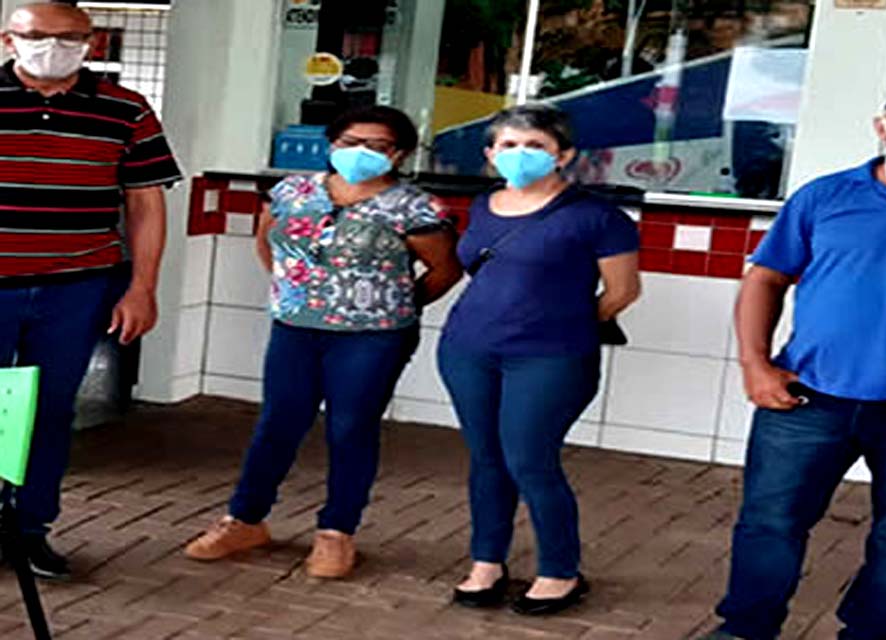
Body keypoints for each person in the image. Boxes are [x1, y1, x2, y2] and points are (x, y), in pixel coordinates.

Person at [701, 81, 886, 640]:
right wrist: (755, 365)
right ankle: (745, 628)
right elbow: (766, 278)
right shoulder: (825, 196)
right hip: (808, 398)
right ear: (884, 125)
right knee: (769, 524)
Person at [184, 106, 462, 579]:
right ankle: (244, 519)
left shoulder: (413, 207)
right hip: (295, 327)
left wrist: (395, 304)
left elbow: (444, 269)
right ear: (331, 143)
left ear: (399, 154)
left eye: (378, 146)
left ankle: (337, 532)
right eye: (351, 142)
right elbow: (267, 242)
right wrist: (293, 291)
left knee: (350, 428)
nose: (361, 153)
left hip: (372, 337)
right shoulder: (292, 191)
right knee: (277, 422)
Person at [0, 3, 181, 580]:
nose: (52, 47)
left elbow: (146, 203)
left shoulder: (126, 108)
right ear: (8, 39)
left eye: (69, 37)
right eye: (36, 36)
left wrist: (143, 287)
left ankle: (27, 530)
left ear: (92, 42)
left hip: (75, 288)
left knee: (49, 411)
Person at [438, 105, 641, 615]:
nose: (520, 155)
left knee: (529, 460)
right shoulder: (484, 205)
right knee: (486, 459)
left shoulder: (597, 216)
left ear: (563, 155)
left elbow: (622, 291)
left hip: (551, 357)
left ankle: (560, 570)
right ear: (491, 154)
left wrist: (562, 321)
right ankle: (487, 562)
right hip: (468, 349)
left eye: (535, 146)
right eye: (508, 145)